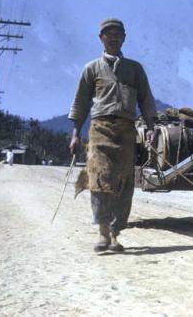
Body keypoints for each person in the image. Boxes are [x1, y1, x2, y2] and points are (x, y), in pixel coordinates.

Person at [68, 19, 156, 252]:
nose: (114, 38)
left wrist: (150, 127)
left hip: (127, 132)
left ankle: (116, 234)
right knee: (98, 181)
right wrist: (75, 134)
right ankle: (102, 232)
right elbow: (80, 103)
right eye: (109, 34)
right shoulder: (91, 68)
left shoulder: (135, 69)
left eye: (118, 34)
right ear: (101, 38)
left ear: (124, 38)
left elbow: (146, 100)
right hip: (99, 130)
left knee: (123, 183)